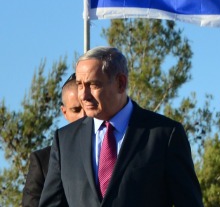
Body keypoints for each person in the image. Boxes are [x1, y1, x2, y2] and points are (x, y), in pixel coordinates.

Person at [39, 46, 203, 206]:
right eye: (80, 84)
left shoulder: (164, 135)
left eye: (93, 85)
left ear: (120, 83)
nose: (84, 95)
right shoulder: (65, 140)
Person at [22, 73, 85, 207]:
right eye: (76, 109)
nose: (83, 115)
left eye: (87, 107)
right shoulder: (43, 161)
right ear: (64, 112)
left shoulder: (111, 151)